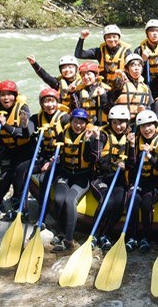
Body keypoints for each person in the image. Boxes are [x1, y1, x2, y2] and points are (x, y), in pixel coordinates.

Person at [0, 80, 34, 217]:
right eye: (2, 95)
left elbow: (26, 133)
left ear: (15, 96)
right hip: (6, 148)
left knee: (20, 175)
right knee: (5, 176)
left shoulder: (23, 110)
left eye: (10, 95)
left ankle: (18, 200)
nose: (6, 98)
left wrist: (6, 126)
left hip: (24, 148)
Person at [51, 108, 97, 252]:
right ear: (71, 122)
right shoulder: (62, 134)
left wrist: (89, 141)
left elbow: (91, 158)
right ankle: (60, 231)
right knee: (59, 199)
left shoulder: (90, 136)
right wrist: (54, 158)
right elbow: (56, 151)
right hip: (65, 174)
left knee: (69, 200)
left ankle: (68, 239)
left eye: (82, 123)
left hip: (82, 176)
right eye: (75, 122)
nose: (78, 125)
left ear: (86, 124)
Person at [90, 105, 133, 251]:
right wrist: (95, 140)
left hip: (119, 179)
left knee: (120, 202)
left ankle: (105, 235)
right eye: (114, 122)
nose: (118, 126)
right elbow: (95, 158)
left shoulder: (130, 138)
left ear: (127, 122)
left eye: (121, 122)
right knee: (107, 201)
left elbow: (133, 163)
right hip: (101, 178)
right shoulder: (102, 135)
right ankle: (94, 235)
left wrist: (126, 164)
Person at [127, 110, 158, 253]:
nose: (146, 129)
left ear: (155, 125)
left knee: (146, 203)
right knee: (133, 200)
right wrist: (132, 147)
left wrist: (150, 155)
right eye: (143, 126)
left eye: (150, 125)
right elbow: (131, 165)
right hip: (139, 180)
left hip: (155, 182)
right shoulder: (135, 139)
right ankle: (131, 237)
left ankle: (146, 237)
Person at [24, 88, 70, 220]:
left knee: (44, 179)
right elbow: (28, 131)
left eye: (52, 101)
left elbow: (71, 141)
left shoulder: (65, 118)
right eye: (46, 102)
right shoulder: (37, 117)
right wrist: (24, 123)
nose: (49, 105)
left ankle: (42, 215)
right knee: (23, 171)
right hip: (45, 157)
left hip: (61, 157)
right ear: (41, 104)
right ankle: (22, 206)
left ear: (57, 102)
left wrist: (53, 161)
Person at [110, 53, 152, 125]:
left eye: (139, 65)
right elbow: (110, 100)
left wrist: (145, 110)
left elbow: (150, 105)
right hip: (121, 122)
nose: (136, 68)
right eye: (133, 65)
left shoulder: (145, 87)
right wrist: (119, 74)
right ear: (126, 69)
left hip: (139, 122)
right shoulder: (120, 82)